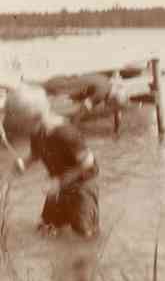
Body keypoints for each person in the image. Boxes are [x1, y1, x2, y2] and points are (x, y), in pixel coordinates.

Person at [11, 84, 100, 238]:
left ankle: (89, 258)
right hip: (58, 186)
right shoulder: (37, 131)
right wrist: (24, 163)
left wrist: (59, 182)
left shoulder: (65, 133)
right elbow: (36, 153)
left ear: (34, 118)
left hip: (82, 187)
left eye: (20, 125)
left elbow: (88, 163)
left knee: (84, 233)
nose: (19, 130)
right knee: (46, 228)